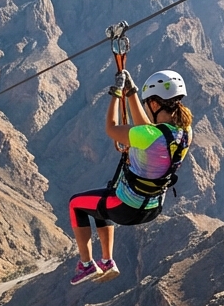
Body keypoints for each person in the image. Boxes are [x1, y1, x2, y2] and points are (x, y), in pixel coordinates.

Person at [66, 69, 193, 284]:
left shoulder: (148, 136)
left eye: (147, 103)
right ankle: (107, 261)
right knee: (100, 204)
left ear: (154, 105)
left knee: (76, 204)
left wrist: (116, 94)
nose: (145, 107)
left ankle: (86, 265)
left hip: (126, 208)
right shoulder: (185, 132)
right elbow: (148, 128)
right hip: (152, 207)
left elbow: (112, 128)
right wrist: (131, 92)